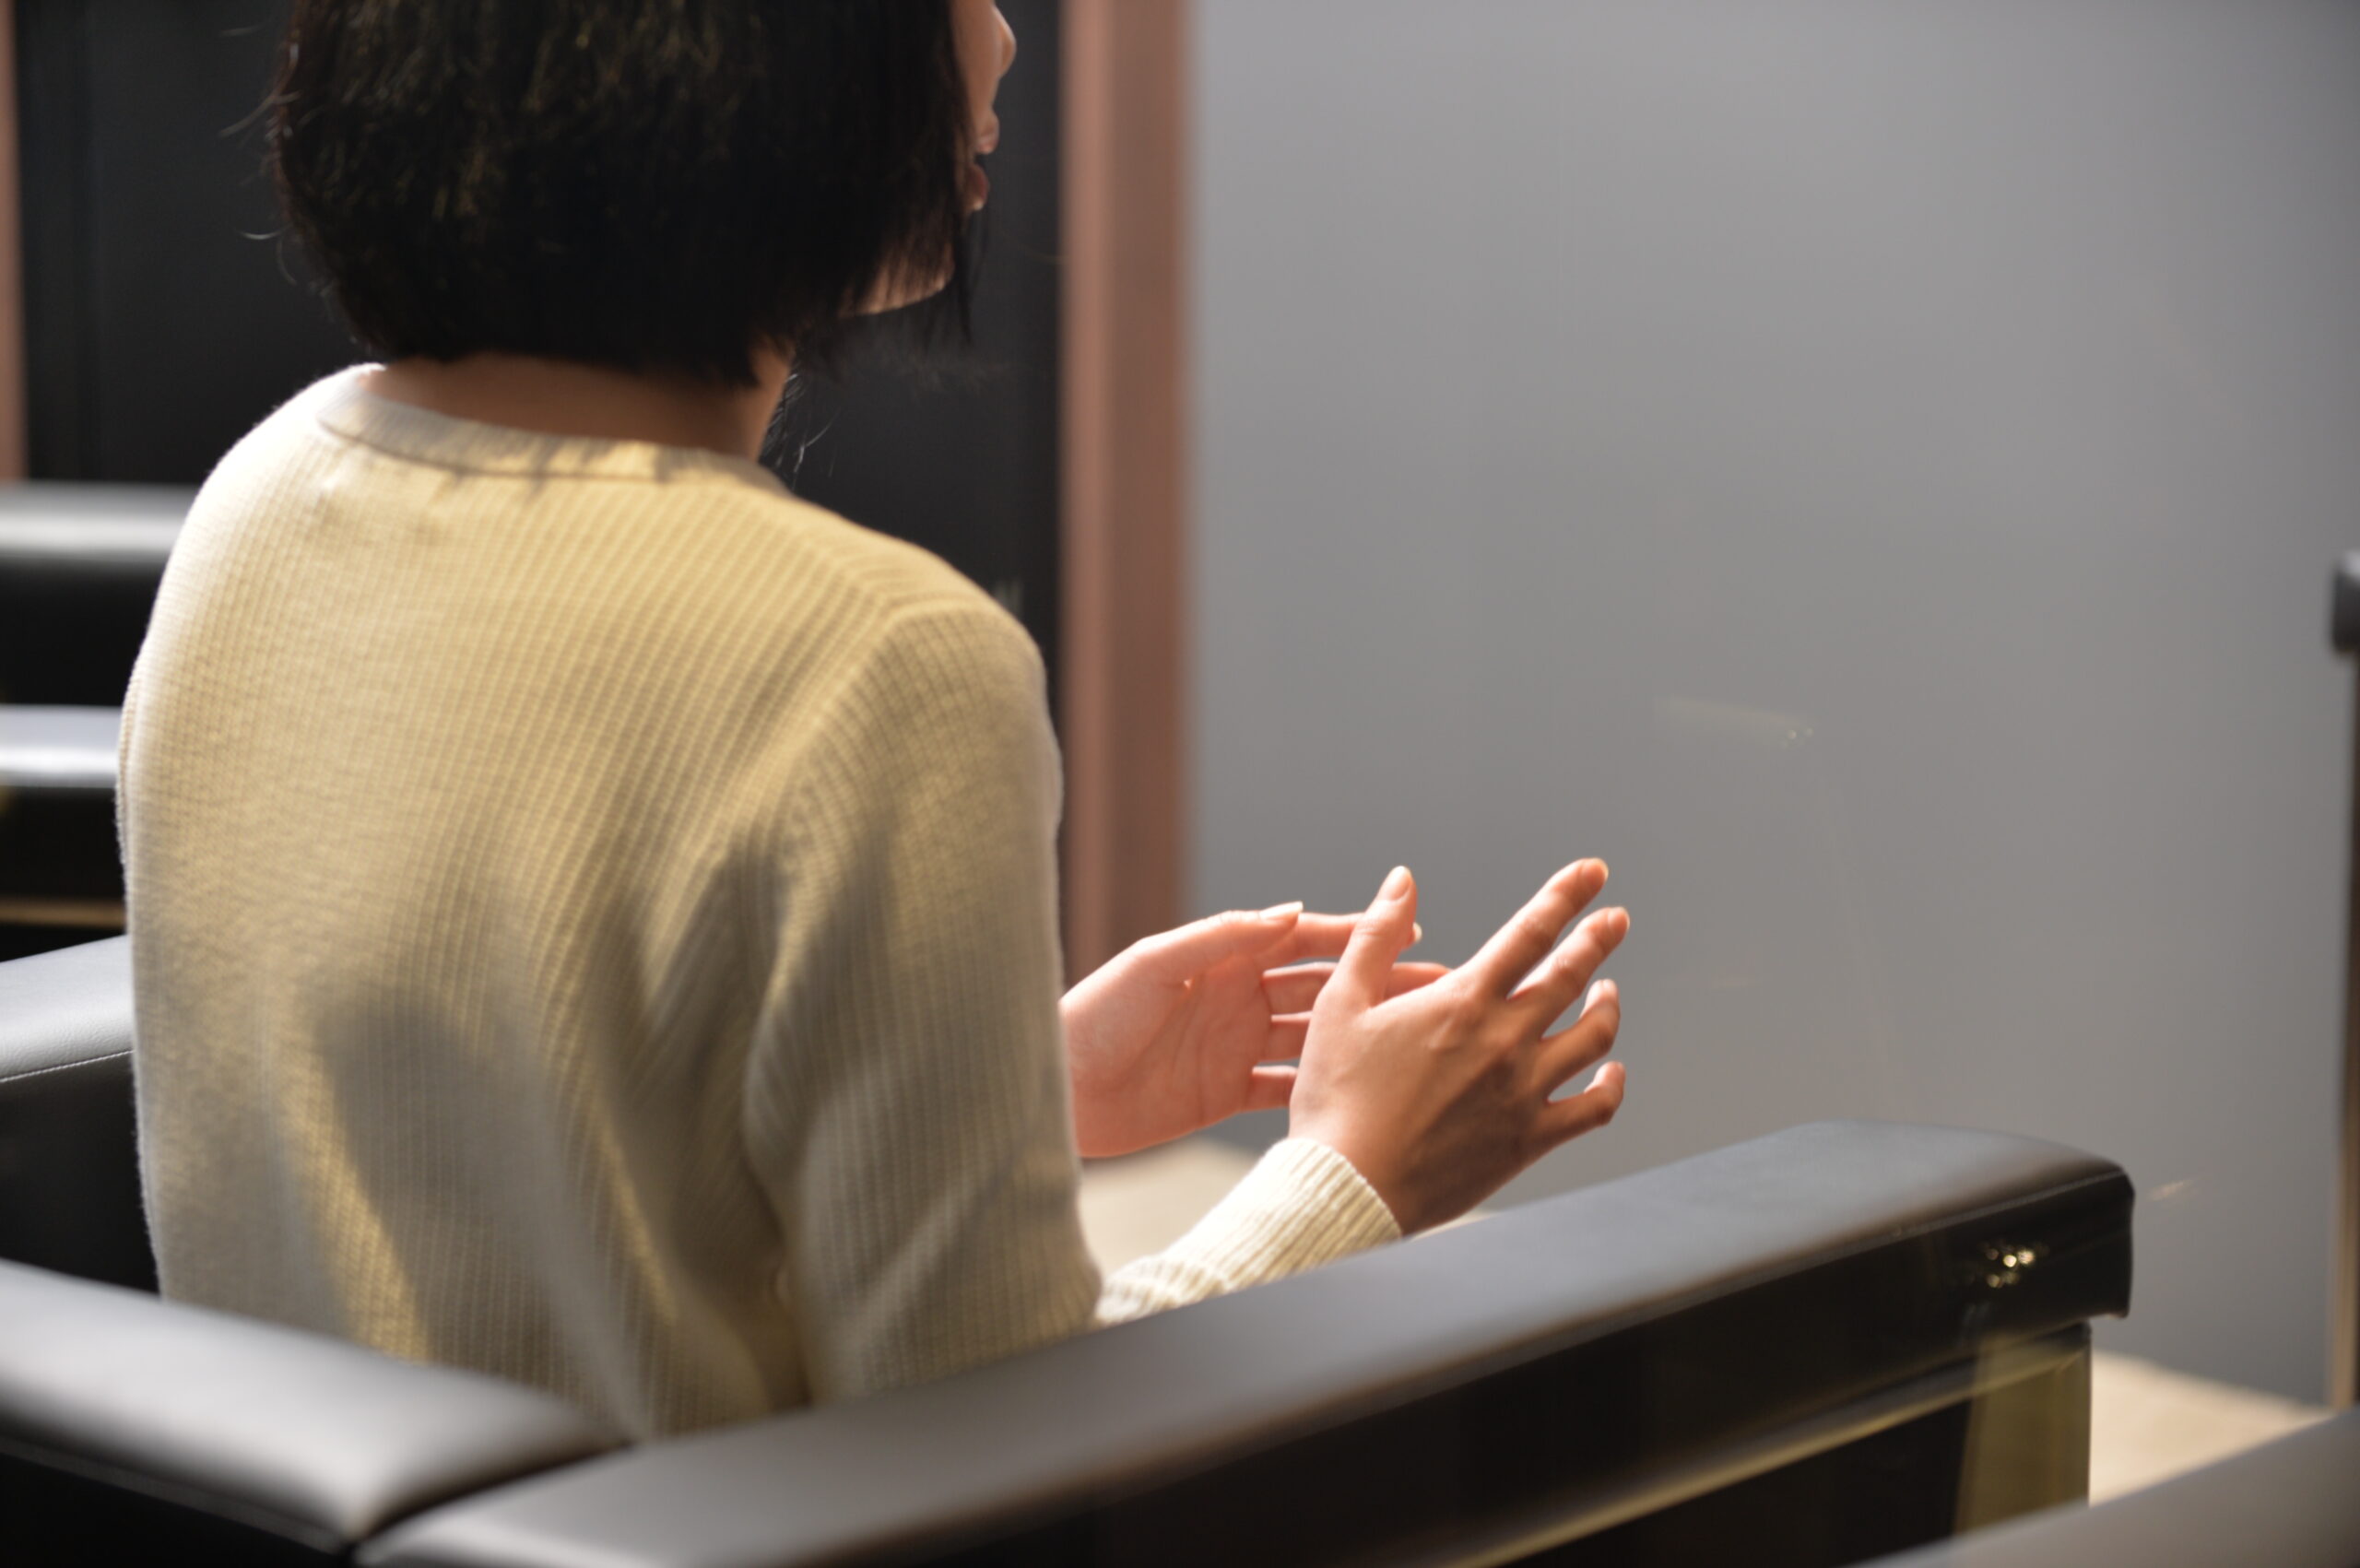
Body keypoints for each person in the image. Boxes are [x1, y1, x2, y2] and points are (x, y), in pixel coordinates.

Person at [119, 0, 1630, 1441]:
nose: (1005, 41)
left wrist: (1018, 1087)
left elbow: (488, 1154)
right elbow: (1007, 1471)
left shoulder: (259, 501)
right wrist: (1354, 1173)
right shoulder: (882, 668)